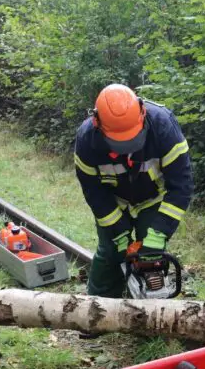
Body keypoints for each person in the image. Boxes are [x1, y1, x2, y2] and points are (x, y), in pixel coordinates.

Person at [74, 84, 194, 297]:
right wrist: (120, 236)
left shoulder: (163, 128)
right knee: (110, 252)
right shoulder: (87, 140)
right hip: (113, 200)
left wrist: (158, 234)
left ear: (142, 112)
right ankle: (95, 310)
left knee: (151, 256)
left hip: (152, 198)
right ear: (97, 122)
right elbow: (94, 192)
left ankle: (154, 309)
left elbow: (181, 186)